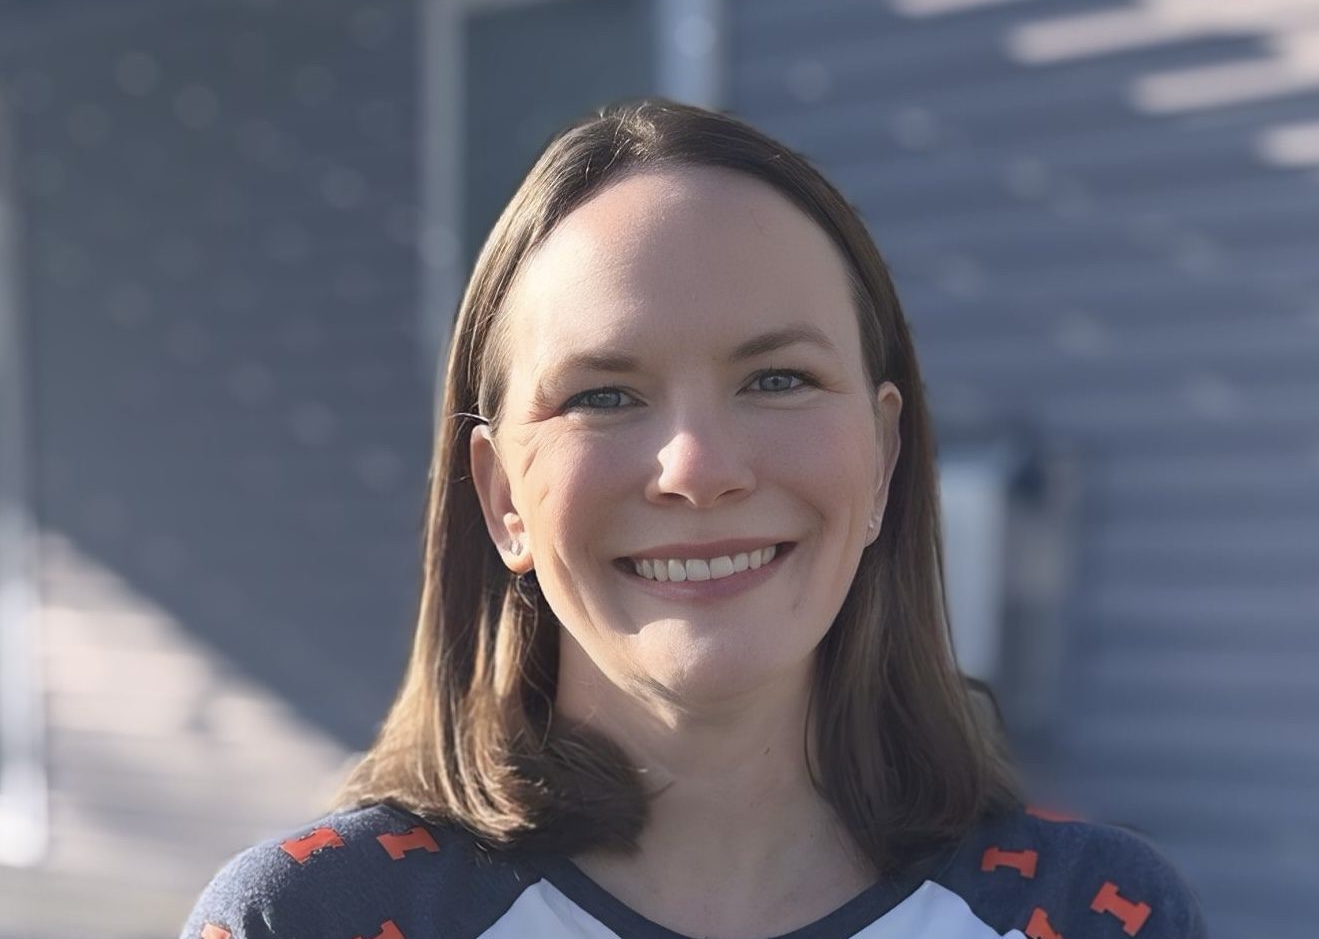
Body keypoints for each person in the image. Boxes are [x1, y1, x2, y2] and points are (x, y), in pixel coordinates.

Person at [180, 99, 1207, 939]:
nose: (697, 468)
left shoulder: (1091, 913)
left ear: (885, 456)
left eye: (775, 376)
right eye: (603, 395)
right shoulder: (313, 917)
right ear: (501, 497)